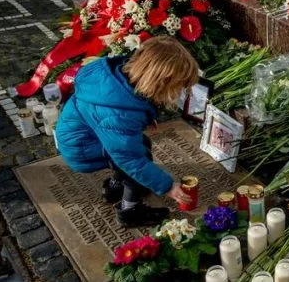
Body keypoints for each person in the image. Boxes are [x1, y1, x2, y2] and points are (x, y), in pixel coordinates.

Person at [55, 36, 196, 228]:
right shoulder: (119, 116)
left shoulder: (117, 78)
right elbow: (131, 160)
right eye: (178, 87)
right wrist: (168, 186)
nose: (179, 93)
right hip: (81, 148)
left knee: (137, 146)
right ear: (160, 82)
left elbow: (126, 112)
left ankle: (115, 187)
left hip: (83, 136)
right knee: (137, 158)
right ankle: (130, 211)